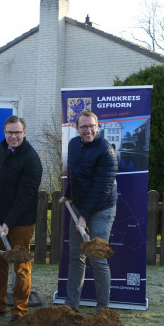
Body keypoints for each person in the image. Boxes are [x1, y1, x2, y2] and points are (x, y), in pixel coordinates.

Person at [0, 115, 42, 322]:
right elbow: (0, 172)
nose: (13, 136)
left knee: (20, 267)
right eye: (9, 132)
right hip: (1, 215)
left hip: (21, 221)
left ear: (24, 132)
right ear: (5, 133)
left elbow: (26, 197)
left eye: (17, 132)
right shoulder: (2, 148)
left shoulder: (31, 160)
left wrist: (8, 223)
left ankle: (20, 310)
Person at [59, 111, 118, 310]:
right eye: (83, 127)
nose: (88, 130)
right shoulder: (74, 145)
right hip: (79, 205)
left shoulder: (106, 151)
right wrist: (68, 194)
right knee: (76, 256)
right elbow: (74, 175)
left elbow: (101, 189)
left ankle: (103, 311)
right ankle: (71, 307)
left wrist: (84, 216)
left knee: (97, 257)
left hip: (101, 208)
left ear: (97, 126)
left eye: (92, 126)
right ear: (77, 129)